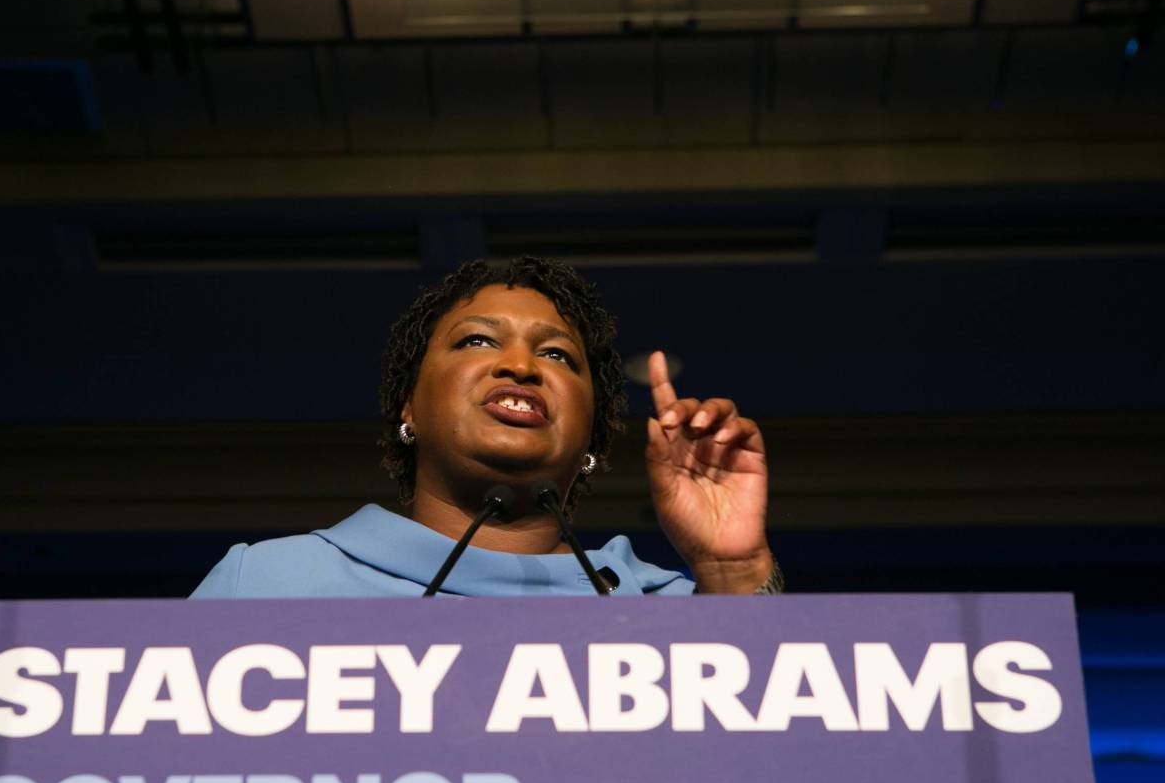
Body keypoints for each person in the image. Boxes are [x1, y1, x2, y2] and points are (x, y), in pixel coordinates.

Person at [191, 256, 778, 598]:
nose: (520, 366)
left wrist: (733, 572)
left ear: (591, 439)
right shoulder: (269, 584)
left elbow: (776, 782)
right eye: (477, 340)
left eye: (557, 356)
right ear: (409, 407)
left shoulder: (670, 609)